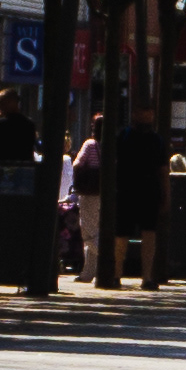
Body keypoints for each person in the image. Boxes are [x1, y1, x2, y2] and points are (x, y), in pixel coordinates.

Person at [110, 102, 167, 285]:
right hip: (127, 191)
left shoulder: (155, 140)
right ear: (134, 114)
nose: (147, 117)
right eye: (144, 112)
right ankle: (118, 273)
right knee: (123, 234)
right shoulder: (124, 136)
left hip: (146, 192)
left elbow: (163, 170)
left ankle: (145, 276)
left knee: (147, 234)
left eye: (149, 113)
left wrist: (166, 194)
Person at [72, 110, 107, 276]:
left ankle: (109, 257)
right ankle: (88, 272)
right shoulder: (112, 145)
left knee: (87, 232)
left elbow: (77, 164)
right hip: (105, 193)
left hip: (89, 192)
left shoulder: (90, 144)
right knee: (97, 229)